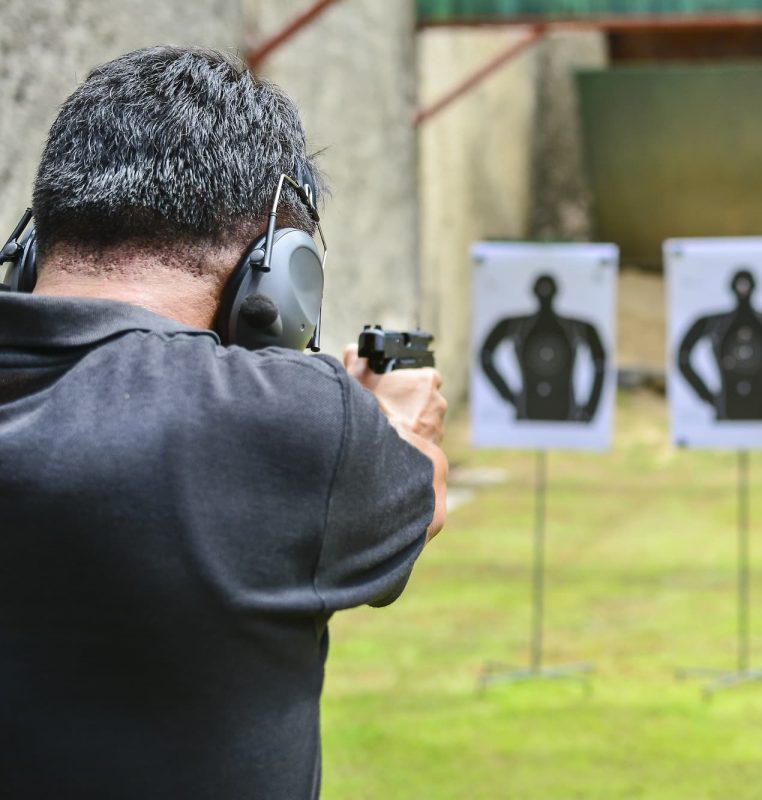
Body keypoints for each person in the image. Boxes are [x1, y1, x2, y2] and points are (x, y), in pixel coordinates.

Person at [0, 47, 447, 798]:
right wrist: (392, 414)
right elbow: (422, 490)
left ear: (31, 246)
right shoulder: (292, 420)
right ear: (277, 272)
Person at [676, 268, 762, 421]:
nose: (743, 290)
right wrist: (708, 397)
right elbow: (683, 358)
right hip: (730, 408)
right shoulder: (714, 323)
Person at [478, 273, 606, 422]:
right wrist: (508, 396)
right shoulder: (520, 325)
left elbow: (600, 363)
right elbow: (485, 356)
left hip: (558, 408)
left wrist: (591, 408)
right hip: (533, 408)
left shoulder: (572, 327)